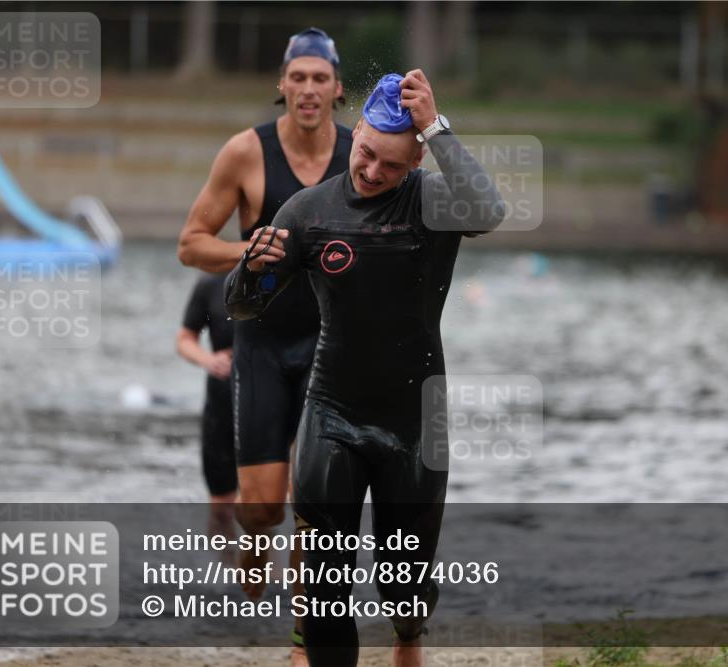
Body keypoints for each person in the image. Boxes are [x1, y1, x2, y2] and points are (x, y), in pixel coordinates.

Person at [225, 70, 505, 667]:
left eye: (393, 166)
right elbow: (242, 305)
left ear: (418, 160)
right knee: (325, 592)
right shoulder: (309, 210)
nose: (374, 172)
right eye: (367, 154)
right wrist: (249, 269)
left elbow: (490, 209)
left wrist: (435, 124)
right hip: (333, 414)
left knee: (405, 591)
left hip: (413, 424)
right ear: (356, 135)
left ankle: (409, 638)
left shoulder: (432, 200)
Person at [177, 27, 352, 662]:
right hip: (261, 347)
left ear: (337, 88)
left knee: (316, 507)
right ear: (281, 86)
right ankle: (252, 551)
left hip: (334, 351)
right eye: (297, 78)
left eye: (320, 78)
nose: (308, 89)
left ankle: (303, 646)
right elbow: (191, 243)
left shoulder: (360, 155)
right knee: (261, 512)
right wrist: (245, 249)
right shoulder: (245, 153)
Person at [176, 272, 236, 536]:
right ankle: (223, 569)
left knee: (263, 504)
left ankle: (267, 569)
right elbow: (185, 339)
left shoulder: (289, 277)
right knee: (222, 504)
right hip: (222, 399)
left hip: (275, 398)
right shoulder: (211, 283)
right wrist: (207, 360)